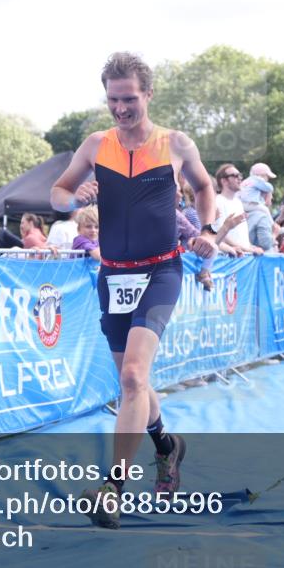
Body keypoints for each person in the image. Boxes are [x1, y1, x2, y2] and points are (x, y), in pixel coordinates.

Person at [50, 52, 218, 530]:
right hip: (114, 274)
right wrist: (71, 198)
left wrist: (205, 227)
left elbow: (205, 187)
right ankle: (167, 447)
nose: (121, 108)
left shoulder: (175, 143)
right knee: (134, 381)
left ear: (148, 94)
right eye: (113, 100)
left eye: (129, 99)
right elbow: (57, 194)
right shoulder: (95, 144)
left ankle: (112, 489)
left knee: (132, 378)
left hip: (162, 271)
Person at [213, 164, 263, 255]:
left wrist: (249, 246)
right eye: (235, 176)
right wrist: (246, 249)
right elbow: (220, 233)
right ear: (224, 181)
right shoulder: (218, 202)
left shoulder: (238, 202)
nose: (239, 178)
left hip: (243, 257)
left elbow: (240, 234)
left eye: (240, 175)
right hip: (229, 258)